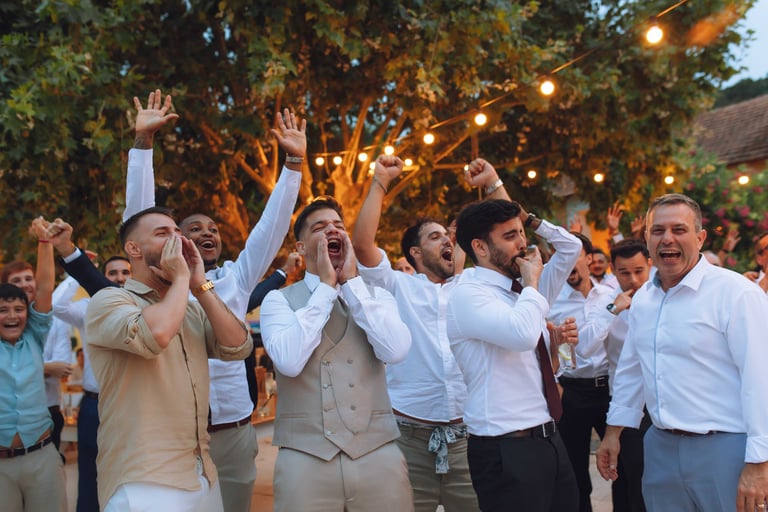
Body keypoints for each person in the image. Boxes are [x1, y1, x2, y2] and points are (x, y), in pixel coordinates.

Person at [57, 90, 304, 512]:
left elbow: (270, 229)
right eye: (190, 229)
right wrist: (142, 146)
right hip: (153, 460)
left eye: (212, 229)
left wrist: (294, 164)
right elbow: (139, 224)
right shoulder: (122, 298)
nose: (204, 234)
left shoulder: (231, 281)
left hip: (222, 439)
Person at [351, 156, 509, 511]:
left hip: (470, 442)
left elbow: (510, 242)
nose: (447, 240)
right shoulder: (397, 285)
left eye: (449, 236)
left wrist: (493, 183)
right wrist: (380, 181)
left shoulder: (474, 286)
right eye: (435, 237)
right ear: (415, 252)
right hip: (409, 442)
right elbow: (361, 245)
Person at [596, 194, 768, 512]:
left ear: (700, 238)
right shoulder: (644, 299)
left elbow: (761, 380)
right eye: (658, 230)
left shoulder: (737, 294)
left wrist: (760, 462)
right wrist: (613, 431)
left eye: (679, 229)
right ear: (647, 239)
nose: (667, 239)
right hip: (660, 447)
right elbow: (632, 370)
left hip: (726, 448)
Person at [84, 207, 253, 511]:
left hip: (202, 471)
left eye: (177, 232)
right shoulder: (109, 300)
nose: (178, 240)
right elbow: (156, 334)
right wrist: (182, 279)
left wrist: (199, 285)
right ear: (133, 249)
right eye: (163, 234)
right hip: (145, 480)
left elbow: (238, 346)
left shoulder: (191, 308)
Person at [261, 195, 414, 512]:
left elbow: (396, 350)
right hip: (305, 457)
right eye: (320, 227)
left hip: (378, 452)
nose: (332, 230)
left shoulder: (376, 296)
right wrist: (326, 289)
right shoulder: (278, 301)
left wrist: (353, 284)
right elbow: (289, 362)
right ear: (301, 247)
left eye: (338, 226)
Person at [447, 198, 582, 512]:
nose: (523, 244)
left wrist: (557, 348)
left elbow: (571, 247)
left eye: (522, 233)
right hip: (505, 446)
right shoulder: (468, 293)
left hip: (549, 437)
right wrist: (532, 281)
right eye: (510, 236)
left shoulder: (522, 293)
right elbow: (521, 336)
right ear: (480, 247)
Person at [53, 254, 132, 512]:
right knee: (89, 477)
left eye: (125, 272)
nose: (119, 278)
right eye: (112, 273)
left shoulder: (142, 306)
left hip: (131, 404)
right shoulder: (88, 307)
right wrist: (78, 272)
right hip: (94, 406)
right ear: (102, 276)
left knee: (131, 476)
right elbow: (57, 306)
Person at [0, 217, 66, 512]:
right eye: (3, 310)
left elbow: (45, 289)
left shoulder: (35, 335)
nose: (12, 316)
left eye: (18, 309)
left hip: (42, 457)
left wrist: (44, 241)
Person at [547, 232, 616, 512]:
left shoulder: (609, 296)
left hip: (609, 390)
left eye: (571, 256)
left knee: (623, 462)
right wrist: (556, 382)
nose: (564, 264)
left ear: (588, 259)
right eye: (557, 257)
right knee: (574, 470)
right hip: (571, 391)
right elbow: (548, 350)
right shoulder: (552, 302)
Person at [2, 260, 73, 458]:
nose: (24, 285)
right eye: (16, 281)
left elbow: (63, 367)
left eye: (28, 279)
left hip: (47, 414)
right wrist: (46, 368)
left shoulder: (47, 323)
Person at [603, 238, 653, 512]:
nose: (633, 279)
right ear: (613, 270)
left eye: (639, 271)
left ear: (650, 265)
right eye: (624, 272)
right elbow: (585, 347)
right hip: (626, 404)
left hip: (660, 403)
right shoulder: (605, 302)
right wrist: (613, 310)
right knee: (630, 477)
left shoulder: (664, 298)